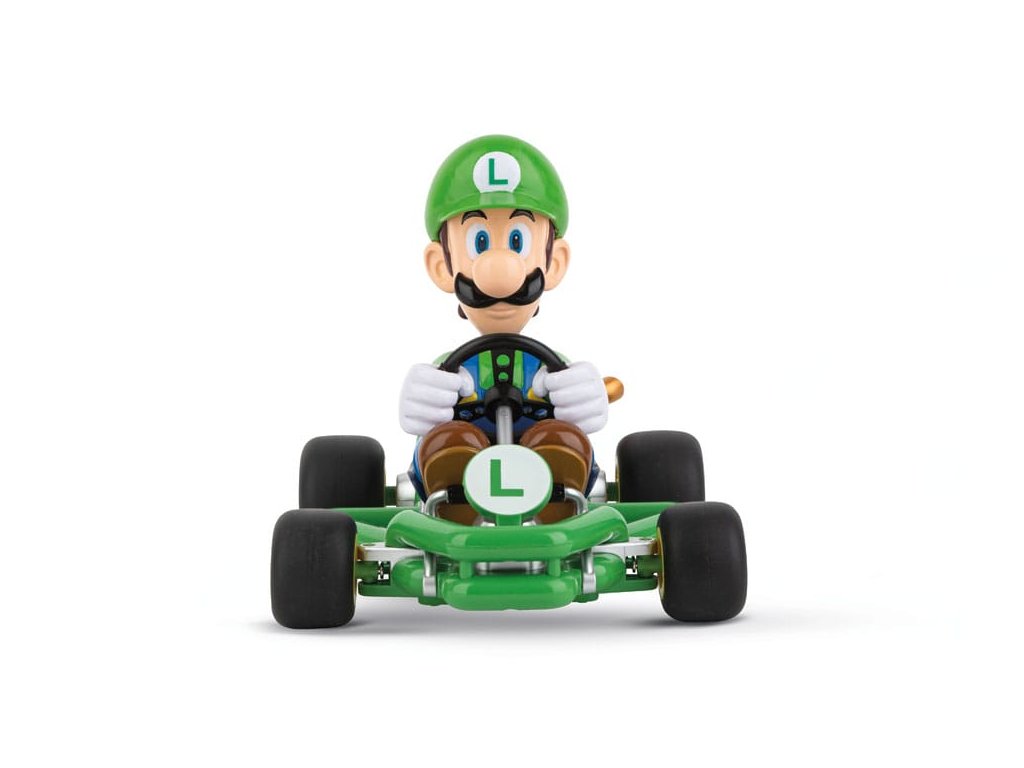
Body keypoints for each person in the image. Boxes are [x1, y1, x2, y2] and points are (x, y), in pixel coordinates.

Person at [399, 135, 613, 524]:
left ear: (555, 261)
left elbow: (579, 404)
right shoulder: (450, 369)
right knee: (446, 444)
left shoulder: (552, 369)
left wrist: (584, 398)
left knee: (562, 440)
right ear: (441, 266)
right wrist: (423, 403)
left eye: (518, 241)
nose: (499, 268)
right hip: (461, 480)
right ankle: (452, 498)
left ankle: (561, 496)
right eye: (479, 242)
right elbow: (425, 409)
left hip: (548, 476)